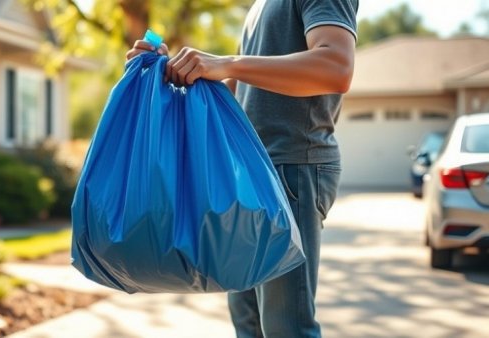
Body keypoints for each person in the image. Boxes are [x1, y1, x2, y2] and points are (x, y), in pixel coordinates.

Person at [126, 0, 358, 337]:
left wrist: (226, 62)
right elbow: (235, 94)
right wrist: (169, 70)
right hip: (250, 172)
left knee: (285, 327)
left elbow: (335, 67)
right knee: (247, 323)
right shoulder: (260, 6)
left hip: (290, 167)